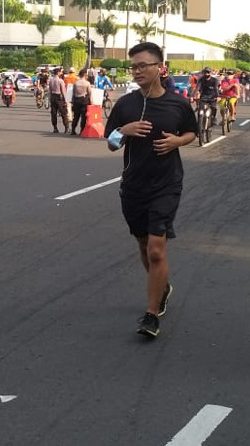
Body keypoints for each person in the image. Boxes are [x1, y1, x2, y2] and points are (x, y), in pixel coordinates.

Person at [104, 42, 197, 338]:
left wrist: (177, 142)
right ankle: (163, 286)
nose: (137, 71)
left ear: (160, 68)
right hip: (134, 186)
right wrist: (124, 131)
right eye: (134, 67)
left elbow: (191, 132)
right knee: (144, 246)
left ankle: (151, 314)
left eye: (143, 65)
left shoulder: (178, 104)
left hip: (167, 184)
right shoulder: (126, 105)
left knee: (157, 248)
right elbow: (110, 142)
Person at [70, 70, 93, 135]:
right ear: (85, 75)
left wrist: (72, 101)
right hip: (84, 101)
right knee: (83, 117)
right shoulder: (87, 83)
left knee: (76, 116)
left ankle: (73, 129)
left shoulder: (76, 83)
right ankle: (82, 130)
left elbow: (73, 93)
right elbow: (90, 93)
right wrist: (91, 102)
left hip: (77, 100)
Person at [48, 69, 69, 133]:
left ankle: (55, 127)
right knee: (63, 113)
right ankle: (66, 127)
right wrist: (66, 100)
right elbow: (63, 91)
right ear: (58, 73)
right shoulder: (60, 81)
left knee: (54, 113)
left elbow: (50, 91)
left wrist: (50, 99)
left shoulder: (51, 80)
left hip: (53, 97)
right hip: (59, 97)